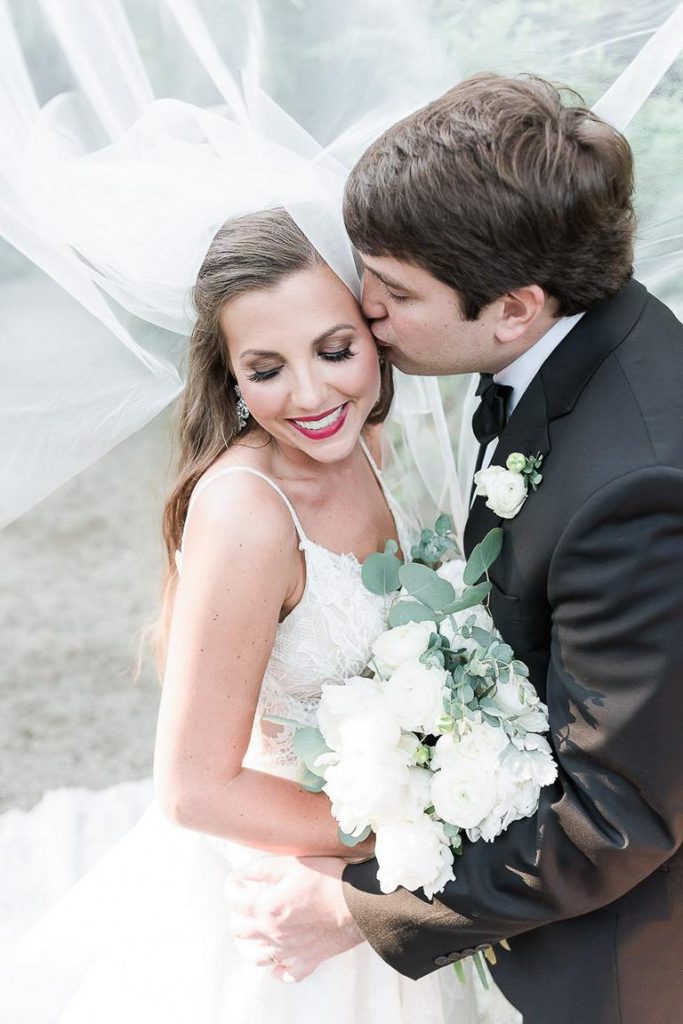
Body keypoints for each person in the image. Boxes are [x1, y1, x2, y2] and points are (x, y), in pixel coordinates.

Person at [228, 74, 683, 1024]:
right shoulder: (585, 338)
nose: (365, 309)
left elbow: (616, 815)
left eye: (393, 290)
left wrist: (362, 908)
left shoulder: (634, 487)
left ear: (514, 307)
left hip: (608, 962)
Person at [2, 208, 518, 1024]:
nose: (311, 396)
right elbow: (194, 790)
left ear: (373, 329)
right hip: (285, 902)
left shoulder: (361, 444)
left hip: (369, 883)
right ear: (230, 376)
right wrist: (422, 838)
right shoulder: (247, 513)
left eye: (336, 351)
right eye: (266, 368)